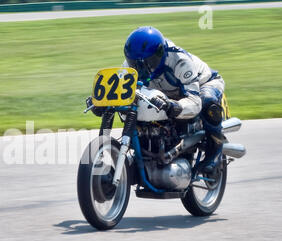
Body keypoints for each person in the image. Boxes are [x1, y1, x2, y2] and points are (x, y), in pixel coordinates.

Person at [88, 26, 225, 173]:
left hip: (203, 84)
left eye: (148, 62)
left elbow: (195, 102)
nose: (142, 68)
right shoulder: (130, 65)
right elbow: (123, 91)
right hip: (164, 92)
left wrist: (175, 106)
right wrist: (101, 101)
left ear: (160, 53)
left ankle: (215, 152)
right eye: (136, 63)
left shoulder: (180, 61)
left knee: (207, 100)